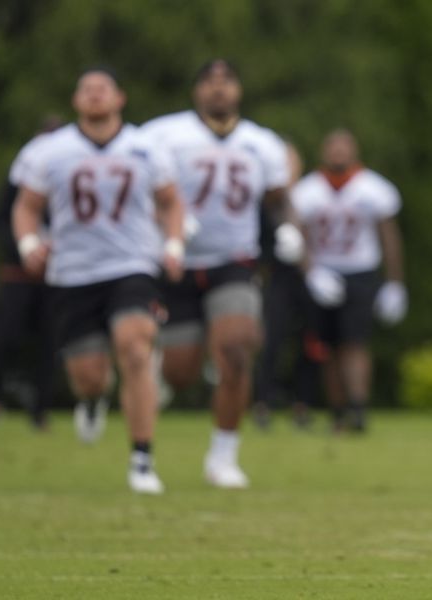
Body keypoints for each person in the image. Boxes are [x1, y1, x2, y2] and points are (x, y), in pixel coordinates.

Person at [11, 67, 185, 493]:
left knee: (136, 345)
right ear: (76, 101)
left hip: (132, 265)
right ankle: (92, 400)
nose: (94, 96)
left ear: (119, 97)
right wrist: (29, 242)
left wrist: (175, 244)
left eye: (101, 89)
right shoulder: (50, 151)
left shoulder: (145, 147)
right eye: (85, 89)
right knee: (89, 375)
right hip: (73, 271)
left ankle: (142, 458)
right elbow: (26, 207)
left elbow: (170, 203)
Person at [141, 59, 296, 488]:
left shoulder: (261, 143)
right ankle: (165, 368)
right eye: (209, 82)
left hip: (235, 261)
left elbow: (278, 197)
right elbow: (140, 187)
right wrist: (165, 223)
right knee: (180, 373)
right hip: (178, 262)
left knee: (235, 352)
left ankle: (223, 457)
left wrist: (286, 229)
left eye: (226, 81)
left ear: (239, 90)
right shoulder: (163, 135)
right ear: (196, 92)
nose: (218, 89)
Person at [291, 129, 407, 433]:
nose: (338, 153)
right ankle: (338, 411)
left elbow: (389, 236)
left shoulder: (373, 188)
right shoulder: (308, 190)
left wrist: (395, 282)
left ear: (355, 150)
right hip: (323, 272)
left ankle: (358, 407)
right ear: (323, 151)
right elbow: (297, 236)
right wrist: (310, 272)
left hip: (360, 272)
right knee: (327, 346)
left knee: (355, 343)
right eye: (333, 147)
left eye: (344, 147)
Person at [0, 115, 63, 431]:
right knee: (4, 338)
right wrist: (26, 250)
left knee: (51, 341)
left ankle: (40, 409)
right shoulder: (23, 175)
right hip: (19, 272)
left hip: (57, 271)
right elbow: (4, 219)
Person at [252, 140, 318, 430]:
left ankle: (303, 403)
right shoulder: (264, 200)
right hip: (274, 277)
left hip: (309, 278)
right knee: (271, 340)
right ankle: (263, 402)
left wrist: (311, 267)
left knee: (310, 341)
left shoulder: (311, 193)